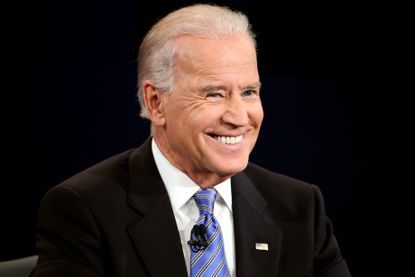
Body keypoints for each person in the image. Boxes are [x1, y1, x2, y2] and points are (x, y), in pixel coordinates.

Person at [30, 4, 351, 277]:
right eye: (214, 94)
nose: (239, 116)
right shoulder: (84, 209)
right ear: (156, 102)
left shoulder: (298, 207)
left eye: (249, 92)